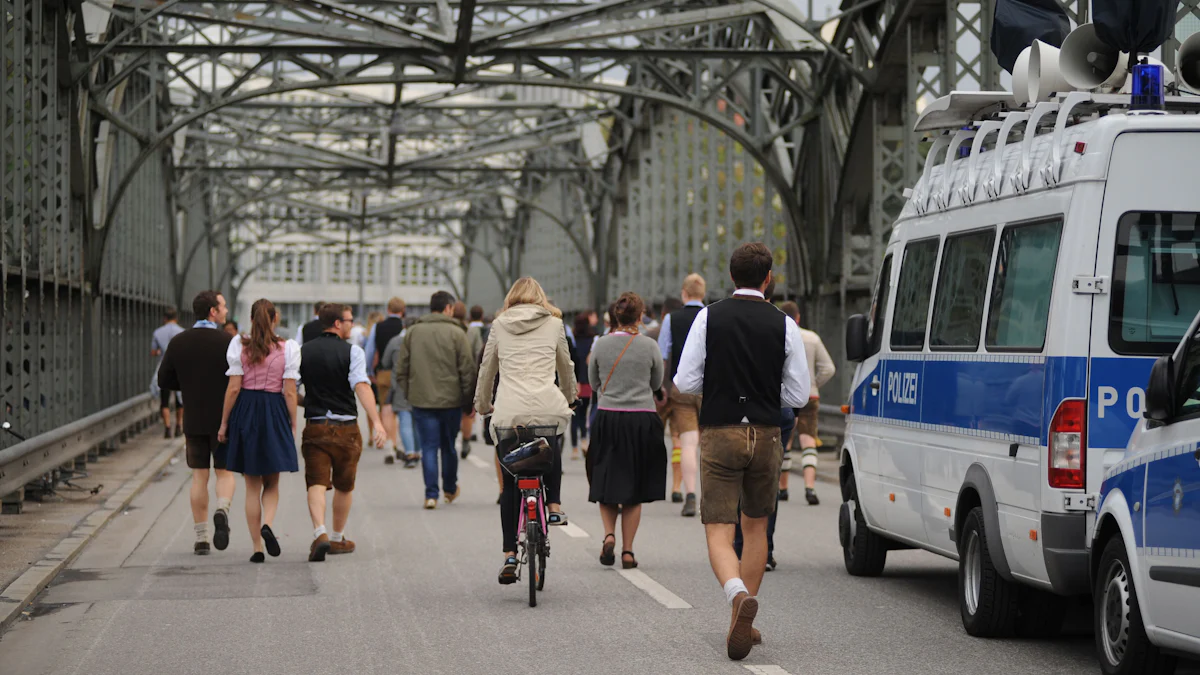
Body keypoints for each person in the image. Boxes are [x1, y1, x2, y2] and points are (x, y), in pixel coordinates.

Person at [674, 243, 810, 661]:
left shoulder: (708, 317)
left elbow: (685, 380)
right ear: (768, 278)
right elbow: (799, 393)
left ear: (731, 277)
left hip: (721, 431)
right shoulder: (783, 324)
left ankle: (736, 597)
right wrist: (767, 396)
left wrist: (718, 389)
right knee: (755, 529)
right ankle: (742, 616)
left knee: (718, 529)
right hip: (767, 434)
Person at [474, 278, 578, 584]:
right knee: (552, 438)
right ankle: (555, 505)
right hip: (546, 404)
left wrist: (482, 404)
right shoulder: (555, 324)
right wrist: (570, 396)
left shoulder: (499, 325)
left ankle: (509, 554)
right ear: (541, 299)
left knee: (510, 484)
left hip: (509, 411)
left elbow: (487, 369)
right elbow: (566, 366)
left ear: (511, 299)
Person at [298, 303, 386, 562]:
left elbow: (290, 389)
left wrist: (307, 402)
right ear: (337, 323)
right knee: (344, 485)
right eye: (348, 320)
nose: (351, 324)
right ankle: (337, 538)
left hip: (315, 425)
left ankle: (320, 532)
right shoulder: (353, 352)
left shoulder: (303, 351)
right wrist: (377, 421)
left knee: (316, 482)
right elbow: (361, 386)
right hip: (346, 428)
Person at [587, 292, 667, 571]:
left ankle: (608, 534)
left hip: (609, 417)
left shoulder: (602, 344)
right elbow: (657, 381)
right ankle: (628, 551)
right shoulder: (649, 346)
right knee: (634, 487)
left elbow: (593, 383)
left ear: (614, 316)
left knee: (606, 479)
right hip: (641, 420)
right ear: (640, 314)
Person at [217, 299, 300, 563]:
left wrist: (224, 423)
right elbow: (289, 390)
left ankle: (256, 548)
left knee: (251, 485)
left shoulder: (238, 345)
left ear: (252, 319)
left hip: (246, 409)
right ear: (275, 319)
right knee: (272, 481)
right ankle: (269, 524)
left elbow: (233, 389)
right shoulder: (288, 348)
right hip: (274, 409)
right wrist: (292, 421)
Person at [158, 291, 238, 556]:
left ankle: (202, 537)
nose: (226, 311)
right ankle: (222, 508)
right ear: (213, 312)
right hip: (223, 420)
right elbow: (239, 380)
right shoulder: (228, 342)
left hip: (193, 418)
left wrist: (187, 386)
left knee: (198, 477)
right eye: (223, 306)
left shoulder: (179, 342)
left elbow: (164, 380)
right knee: (225, 473)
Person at [395, 291, 477, 510]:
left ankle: (430, 495)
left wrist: (411, 391)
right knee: (448, 446)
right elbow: (467, 370)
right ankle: (449, 489)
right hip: (451, 401)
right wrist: (468, 400)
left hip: (422, 401)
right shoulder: (457, 333)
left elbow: (401, 369)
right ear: (448, 308)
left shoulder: (413, 332)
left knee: (429, 448)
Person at [658, 273, 707, 517]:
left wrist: (661, 387)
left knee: (688, 443)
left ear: (684, 294)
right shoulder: (713, 316)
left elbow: (663, 355)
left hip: (683, 388)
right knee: (711, 442)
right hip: (711, 389)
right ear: (703, 294)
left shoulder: (672, 319)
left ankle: (690, 495)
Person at [779, 301, 836, 505]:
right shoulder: (812, 338)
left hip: (785, 396)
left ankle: (783, 488)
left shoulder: (778, 335)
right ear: (799, 317)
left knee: (785, 440)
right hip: (810, 396)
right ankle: (809, 487)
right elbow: (829, 368)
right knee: (808, 440)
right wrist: (813, 384)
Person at [647, 297, 684, 500]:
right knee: (678, 439)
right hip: (679, 392)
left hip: (657, 393)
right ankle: (677, 487)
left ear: (663, 314)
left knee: (653, 438)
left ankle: (652, 480)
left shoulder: (651, 335)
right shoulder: (688, 331)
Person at [365, 298, 406, 460]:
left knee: (386, 408)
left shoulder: (378, 327)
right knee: (403, 410)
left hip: (383, 372)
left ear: (388, 309)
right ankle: (401, 443)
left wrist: (369, 371)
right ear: (402, 311)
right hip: (403, 373)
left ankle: (389, 443)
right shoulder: (404, 327)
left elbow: (370, 351)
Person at [378, 320, 421, 468]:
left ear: (404, 326)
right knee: (418, 419)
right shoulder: (422, 340)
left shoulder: (395, 341)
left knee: (405, 419)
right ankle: (417, 450)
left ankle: (410, 453)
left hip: (401, 384)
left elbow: (385, 361)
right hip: (420, 384)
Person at [151, 307, 185, 439]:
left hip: (164, 367)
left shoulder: (158, 332)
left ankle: (167, 428)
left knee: (164, 400)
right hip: (179, 368)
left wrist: (160, 352)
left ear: (164, 318)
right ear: (176, 318)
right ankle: (178, 426)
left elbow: (154, 352)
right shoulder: (182, 332)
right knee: (179, 400)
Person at [567, 311, 597, 461]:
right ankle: (584, 441)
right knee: (585, 413)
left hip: (575, 382)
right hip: (588, 382)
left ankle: (574, 449)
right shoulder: (592, 340)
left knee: (574, 416)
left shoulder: (572, 341)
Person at [461, 305, 487, 459]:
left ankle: (467, 434)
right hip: (478, 372)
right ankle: (477, 432)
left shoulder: (467, 330)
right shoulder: (489, 329)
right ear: (482, 315)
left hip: (469, 372)